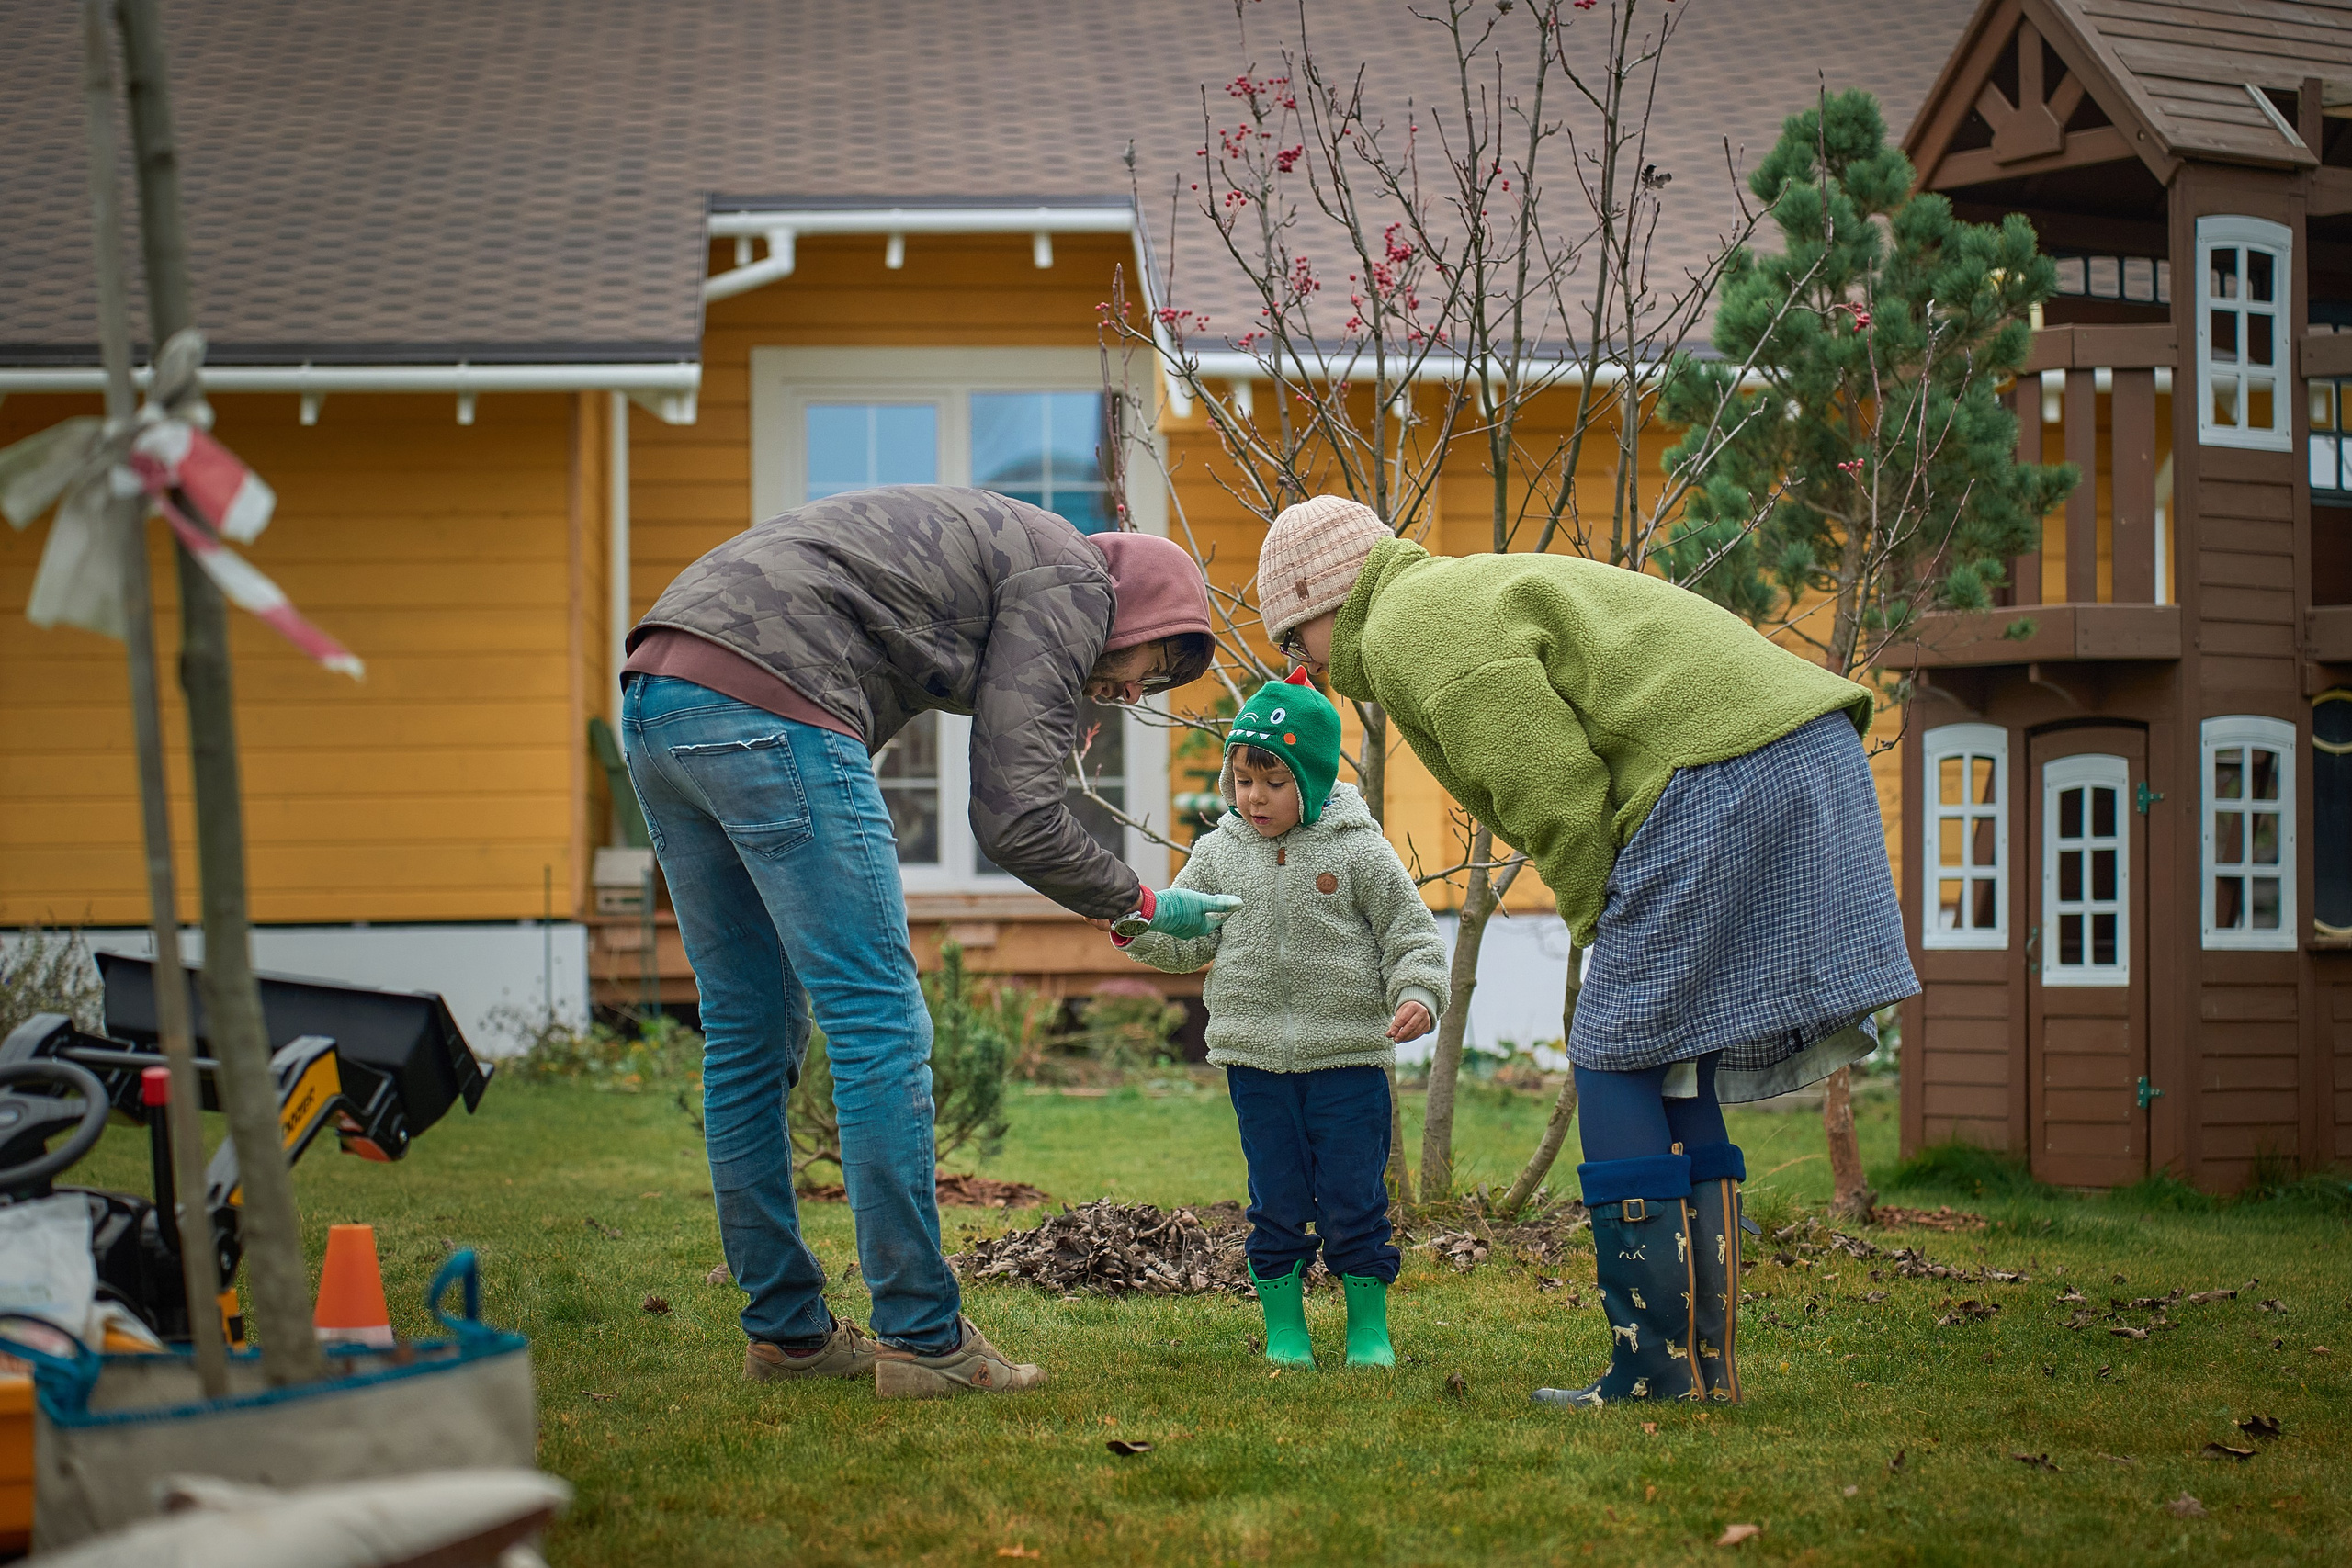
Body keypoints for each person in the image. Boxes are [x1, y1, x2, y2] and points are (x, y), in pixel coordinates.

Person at [1255, 493, 1919, 1408]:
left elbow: (1548, 783)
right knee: (1674, 1060)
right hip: (1792, 749)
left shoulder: (1409, 626)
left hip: (1721, 767)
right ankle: (1702, 1366)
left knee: (1614, 1051)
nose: (1303, 662)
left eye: (1295, 638)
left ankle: (1653, 1370)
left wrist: (1595, 913)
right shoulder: (1445, 596)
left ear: (1322, 598)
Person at [621, 485, 1229, 1399]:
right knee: (879, 1024)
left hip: (660, 697)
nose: (1138, 691)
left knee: (748, 1032)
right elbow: (1017, 817)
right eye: (1154, 661)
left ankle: (788, 1335)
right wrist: (1139, 903)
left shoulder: (1017, 560)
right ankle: (923, 1337)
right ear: (1132, 607)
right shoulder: (1077, 580)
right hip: (773, 699)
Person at [1114, 671, 1447, 1370]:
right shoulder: (1219, 852)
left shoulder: (1358, 849)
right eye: (1243, 781)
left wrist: (1417, 991)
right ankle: (1286, 1329)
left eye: (1273, 782)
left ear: (1314, 782)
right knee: (1276, 1197)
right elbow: (1188, 939)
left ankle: (1368, 1329)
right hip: (1256, 1062)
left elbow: (1409, 933)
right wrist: (1137, 925)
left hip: (1348, 1059)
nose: (1254, 798)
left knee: (1354, 1197)